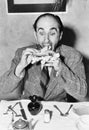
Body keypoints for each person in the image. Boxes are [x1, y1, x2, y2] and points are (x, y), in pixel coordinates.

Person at [0, 13, 87, 101]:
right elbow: (3, 88)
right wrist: (20, 67)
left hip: (59, 109)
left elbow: (82, 93)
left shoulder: (73, 56)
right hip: (30, 107)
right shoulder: (22, 54)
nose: (46, 39)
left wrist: (61, 68)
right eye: (41, 33)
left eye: (52, 33)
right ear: (35, 35)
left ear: (60, 35)